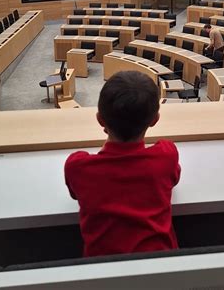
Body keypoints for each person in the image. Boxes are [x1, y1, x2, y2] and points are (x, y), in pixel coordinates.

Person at [64, 71, 181, 257]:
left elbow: (75, 193)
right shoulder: (166, 156)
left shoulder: (78, 167)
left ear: (100, 119)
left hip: (103, 275)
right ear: (155, 120)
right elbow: (172, 179)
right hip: (162, 270)